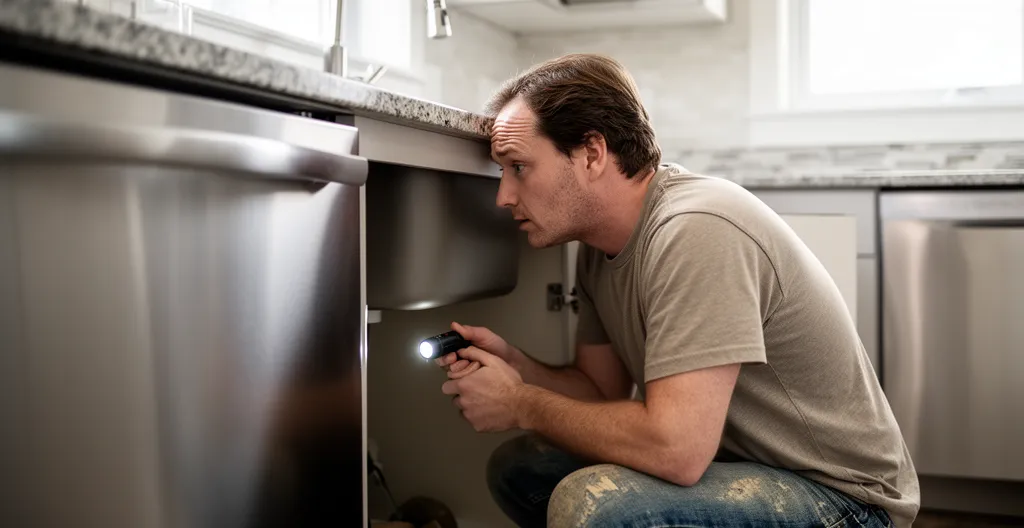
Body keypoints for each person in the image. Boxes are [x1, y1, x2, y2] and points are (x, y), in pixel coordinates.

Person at [434, 53, 920, 528]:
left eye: (518, 167)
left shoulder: (695, 230)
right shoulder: (598, 247)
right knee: (522, 469)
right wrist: (517, 368)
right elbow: (601, 392)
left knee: (596, 506)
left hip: (844, 499)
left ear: (591, 154)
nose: (503, 196)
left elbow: (677, 450)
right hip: (738, 465)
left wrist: (521, 402)